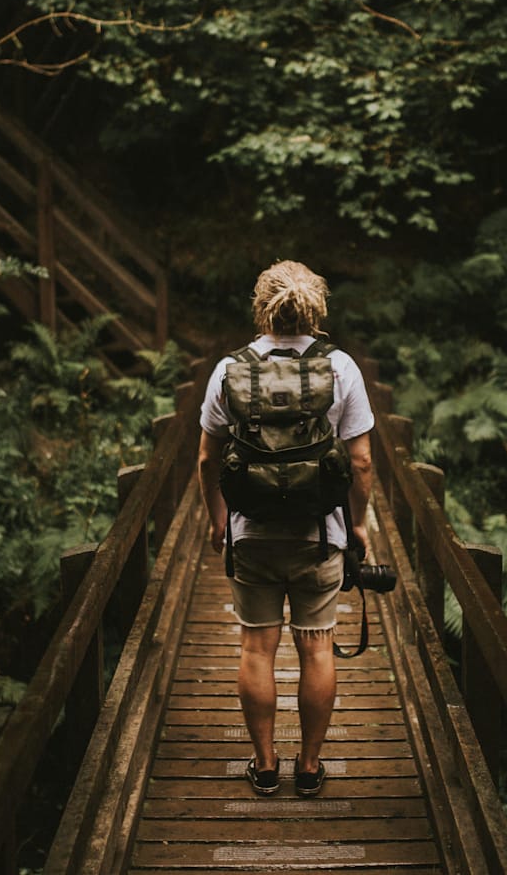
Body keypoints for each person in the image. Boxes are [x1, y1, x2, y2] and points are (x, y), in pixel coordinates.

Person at [197, 260, 375, 797]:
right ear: (317, 308)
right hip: (320, 535)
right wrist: (359, 524)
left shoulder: (231, 369)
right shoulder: (340, 367)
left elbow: (206, 459)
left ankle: (265, 765)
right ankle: (310, 767)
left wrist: (218, 519)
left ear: (262, 307)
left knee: (257, 647)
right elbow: (362, 462)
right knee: (317, 647)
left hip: (251, 534)